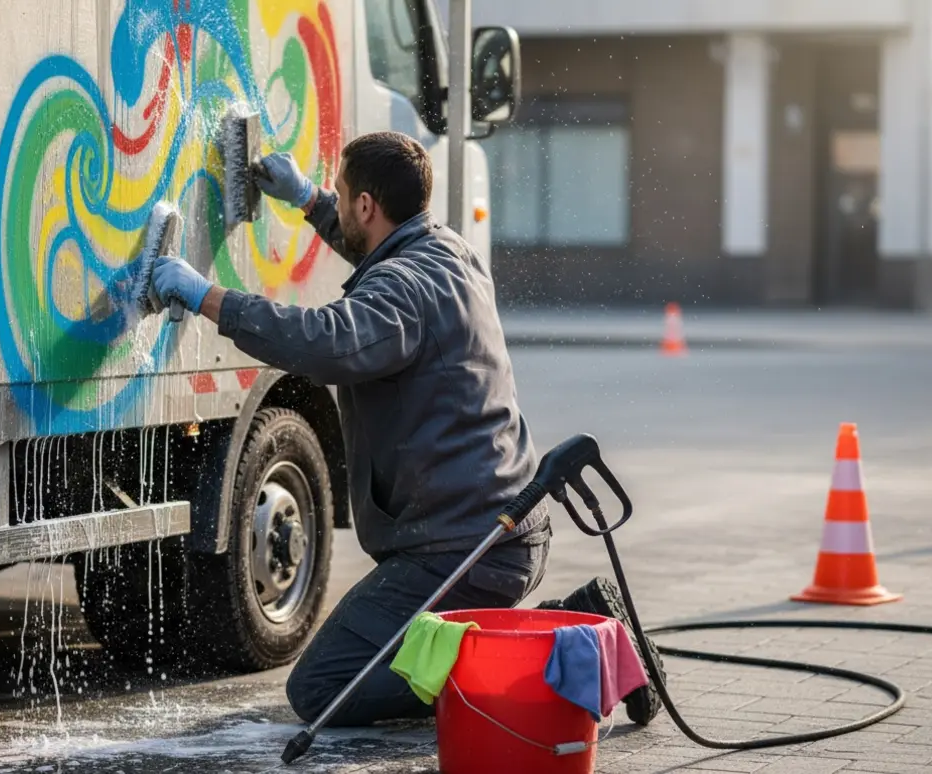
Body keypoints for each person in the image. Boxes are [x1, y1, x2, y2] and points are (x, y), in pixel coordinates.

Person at [151, 131, 664, 727]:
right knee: (384, 665)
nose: (338, 201)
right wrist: (309, 199)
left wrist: (206, 296)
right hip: (497, 529)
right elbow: (378, 255)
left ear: (367, 205)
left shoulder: (403, 288)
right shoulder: (445, 249)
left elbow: (323, 342)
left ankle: (569, 639)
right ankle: (555, 629)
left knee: (322, 687)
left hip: (465, 550)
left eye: (342, 193)